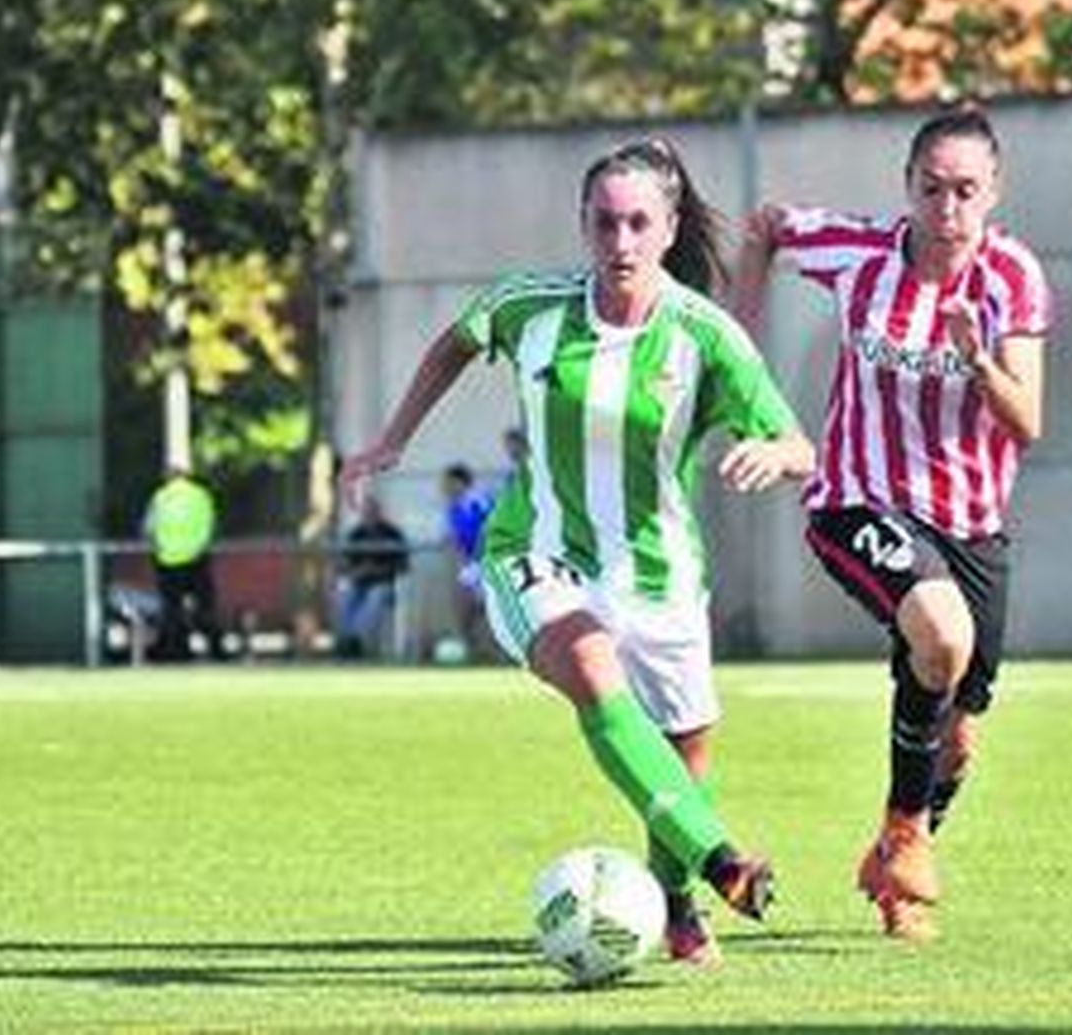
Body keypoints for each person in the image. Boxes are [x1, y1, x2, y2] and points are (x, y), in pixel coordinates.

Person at [341, 136, 813, 967]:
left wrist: (774, 455)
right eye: (604, 223)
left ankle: (675, 898)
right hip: (537, 552)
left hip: (661, 570)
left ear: (668, 230)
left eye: (638, 223)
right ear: (583, 225)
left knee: (685, 749)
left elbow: (799, 445)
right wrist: (391, 438)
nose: (620, 241)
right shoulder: (531, 306)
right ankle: (724, 861)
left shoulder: (705, 336)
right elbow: (455, 341)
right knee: (593, 667)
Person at [732, 102, 1054, 943]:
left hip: (973, 523)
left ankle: (892, 862)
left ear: (995, 193)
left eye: (966, 193)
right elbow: (764, 227)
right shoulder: (860, 252)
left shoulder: (1011, 278)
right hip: (855, 498)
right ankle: (907, 848)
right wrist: (741, 357)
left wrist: (976, 357)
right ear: (906, 187)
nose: (948, 212)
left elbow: (1027, 424)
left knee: (958, 742)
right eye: (932, 189)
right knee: (941, 639)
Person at [143, 466, 226, 661]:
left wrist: (156, 548)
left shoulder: (161, 496)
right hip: (198, 557)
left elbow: (149, 527)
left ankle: (178, 651)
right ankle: (217, 650)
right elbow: (212, 523)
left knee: (173, 610)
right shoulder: (201, 495)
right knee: (205, 607)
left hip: (168, 559)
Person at [333, 493, 411, 659]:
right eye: (366, 511)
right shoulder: (356, 534)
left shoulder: (392, 533)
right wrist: (357, 571)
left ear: (379, 512)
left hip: (385, 584)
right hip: (359, 583)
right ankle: (346, 640)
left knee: (374, 597)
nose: (370, 515)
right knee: (344, 594)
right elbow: (344, 564)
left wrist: (378, 569)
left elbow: (403, 566)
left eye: (373, 511)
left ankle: (355, 642)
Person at [439, 463, 494, 661]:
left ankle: (493, 652)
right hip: (470, 564)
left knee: (488, 609)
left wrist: (482, 558)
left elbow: (490, 529)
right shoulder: (453, 508)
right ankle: (472, 649)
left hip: (487, 562)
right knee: (462, 606)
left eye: (448, 483)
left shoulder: (478, 501)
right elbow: (454, 538)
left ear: (460, 482)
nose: (444, 488)